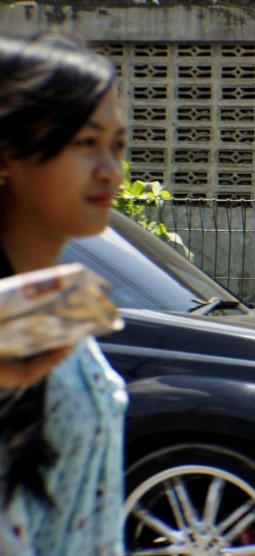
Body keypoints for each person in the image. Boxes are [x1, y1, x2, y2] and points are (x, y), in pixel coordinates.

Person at [0, 31, 127, 554]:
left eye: (117, 145)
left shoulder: (57, 311)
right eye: (85, 142)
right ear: (8, 150)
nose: (110, 171)